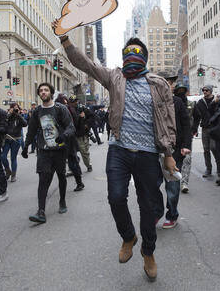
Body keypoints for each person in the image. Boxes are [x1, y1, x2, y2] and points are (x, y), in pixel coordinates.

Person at [56, 28, 176, 282]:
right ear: (123, 58)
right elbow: (85, 63)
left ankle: (148, 252)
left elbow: (168, 119)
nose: (132, 57)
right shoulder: (114, 78)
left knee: (149, 207)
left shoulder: (158, 84)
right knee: (116, 197)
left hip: (147, 154)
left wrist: (168, 153)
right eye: (128, 54)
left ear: (144, 57)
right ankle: (128, 236)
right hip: (119, 149)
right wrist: (65, 40)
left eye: (137, 53)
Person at [21, 83, 75, 223]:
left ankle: (62, 201)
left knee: (61, 176)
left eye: (46, 90)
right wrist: (26, 146)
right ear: (39, 94)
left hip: (59, 150)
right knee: (43, 180)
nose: (43, 92)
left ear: (51, 93)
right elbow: (31, 130)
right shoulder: (37, 111)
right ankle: (41, 211)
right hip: (44, 150)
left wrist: (64, 136)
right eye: (41, 91)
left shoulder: (60, 109)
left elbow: (70, 127)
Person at [155, 73, 192, 229]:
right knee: (152, 185)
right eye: (166, 82)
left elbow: (186, 125)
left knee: (172, 186)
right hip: (154, 150)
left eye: (170, 82)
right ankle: (156, 213)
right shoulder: (152, 102)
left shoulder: (177, 102)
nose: (169, 85)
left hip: (174, 150)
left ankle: (172, 215)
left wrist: (186, 145)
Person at [56, 93, 85, 191]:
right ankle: (79, 182)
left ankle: (79, 183)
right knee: (71, 161)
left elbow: (74, 124)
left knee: (71, 161)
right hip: (65, 138)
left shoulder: (67, 109)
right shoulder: (69, 108)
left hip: (67, 139)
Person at [192, 85, 218, 178]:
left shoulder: (216, 101)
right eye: (203, 90)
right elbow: (197, 117)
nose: (204, 92)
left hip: (215, 128)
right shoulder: (200, 102)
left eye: (206, 90)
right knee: (206, 149)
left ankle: (219, 166)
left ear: (211, 91)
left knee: (213, 147)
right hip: (205, 128)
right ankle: (208, 169)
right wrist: (194, 129)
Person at [174, 83, 193, 193]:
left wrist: (194, 127)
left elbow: (196, 115)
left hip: (187, 135)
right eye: (178, 91)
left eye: (183, 91)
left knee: (187, 159)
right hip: (176, 136)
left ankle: (184, 183)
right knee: (176, 162)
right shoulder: (174, 102)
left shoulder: (191, 103)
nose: (181, 93)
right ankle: (176, 179)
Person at [1, 103, 27, 182]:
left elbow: (25, 124)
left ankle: (13, 175)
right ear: (10, 108)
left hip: (16, 139)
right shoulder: (7, 116)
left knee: (13, 158)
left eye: (16, 108)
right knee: (3, 156)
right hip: (7, 139)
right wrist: (10, 114)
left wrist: (18, 115)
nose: (15, 110)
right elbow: (3, 124)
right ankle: (8, 170)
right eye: (13, 108)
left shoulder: (19, 117)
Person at [67, 96, 94, 172]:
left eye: (76, 101)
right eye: (73, 102)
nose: (75, 103)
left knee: (84, 152)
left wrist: (87, 125)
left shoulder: (82, 108)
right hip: (72, 135)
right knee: (71, 153)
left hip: (82, 134)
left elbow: (92, 116)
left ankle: (88, 165)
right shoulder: (68, 110)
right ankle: (72, 168)